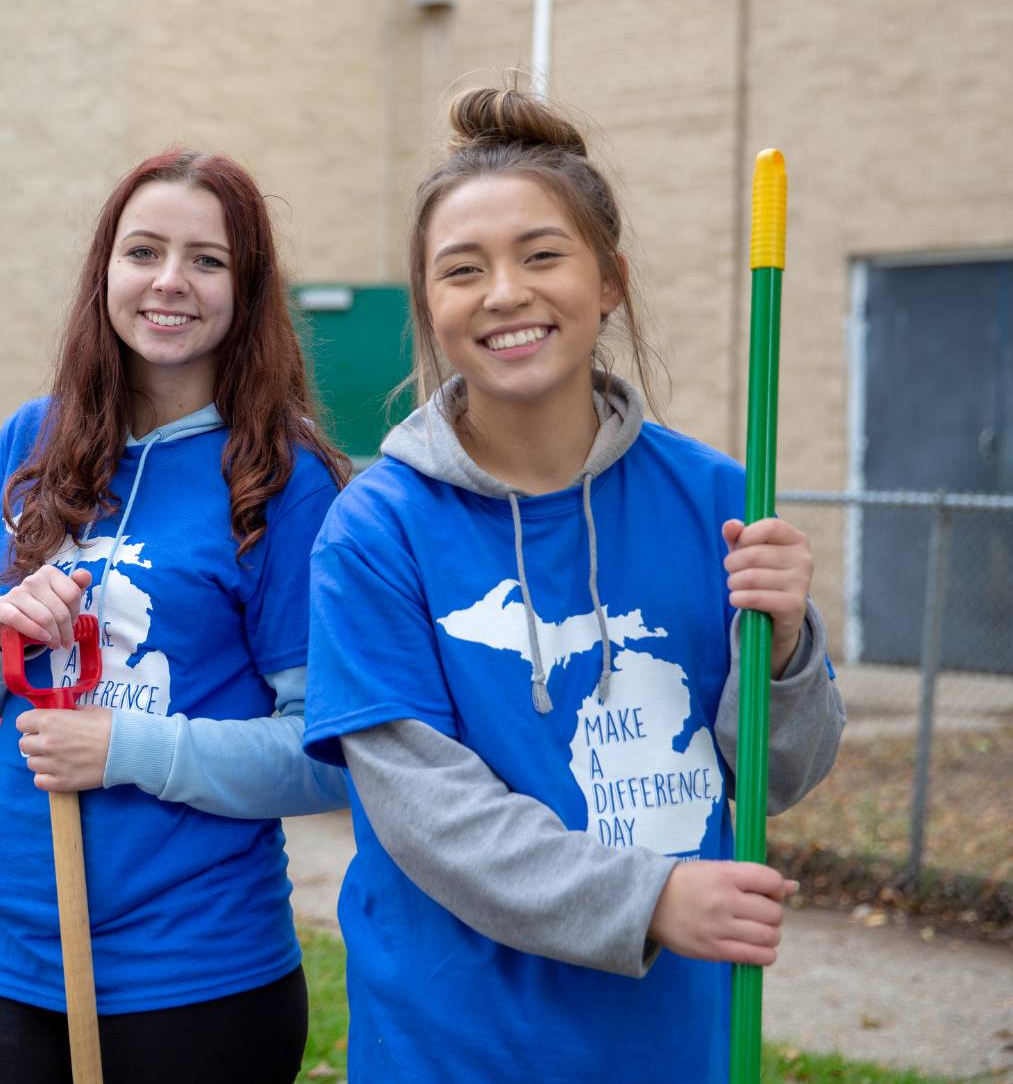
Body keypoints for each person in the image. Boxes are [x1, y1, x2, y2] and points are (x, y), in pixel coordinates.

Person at [302, 87, 847, 1082]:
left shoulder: (718, 498)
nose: (503, 291)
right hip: (456, 1042)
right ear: (429, 309)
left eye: (540, 254)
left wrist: (786, 646)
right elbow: (431, 818)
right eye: (461, 271)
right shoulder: (376, 530)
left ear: (609, 283)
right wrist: (649, 899)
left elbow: (776, 775)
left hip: (674, 1035)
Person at [0, 150, 351, 1084]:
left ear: (247, 289)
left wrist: (123, 747)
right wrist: (4, 631)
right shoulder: (32, 441)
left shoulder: (284, 480)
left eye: (206, 260)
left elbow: (328, 756)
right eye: (143, 250)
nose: (169, 281)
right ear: (104, 272)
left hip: (199, 974)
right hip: (17, 954)